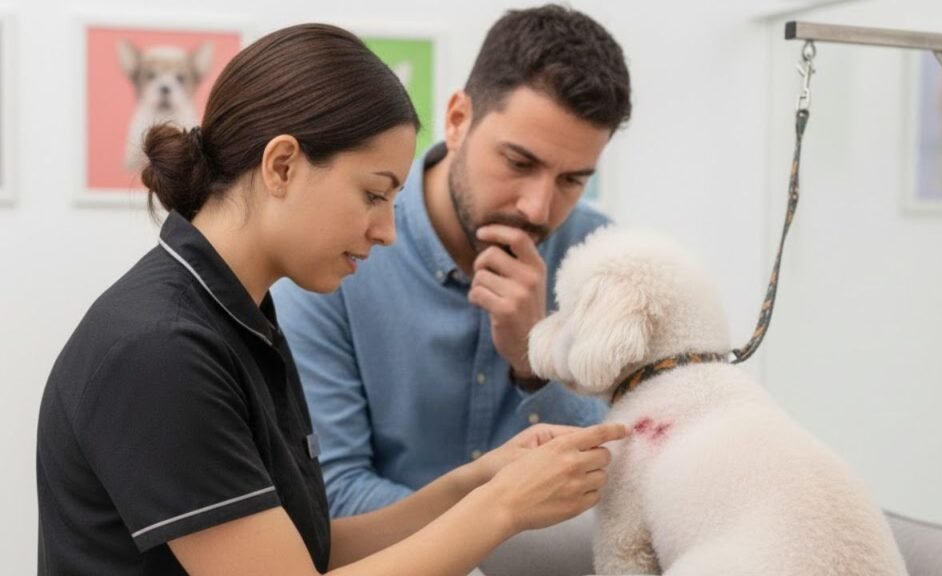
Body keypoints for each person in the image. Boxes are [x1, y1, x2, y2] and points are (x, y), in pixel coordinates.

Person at [36, 23, 627, 576]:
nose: (386, 231)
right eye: (374, 194)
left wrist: (475, 482)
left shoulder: (238, 317)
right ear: (283, 165)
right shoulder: (160, 349)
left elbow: (308, 548)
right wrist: (502, 507)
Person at [272, 4, 633, 519]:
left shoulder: (600, 256)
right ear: (458, 119)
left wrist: (535, 364)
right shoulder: (335, 253)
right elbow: (331, 497)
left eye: (572, 180)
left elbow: (618, 481)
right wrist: (494, 522)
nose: (537, 206)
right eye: (519, 162)